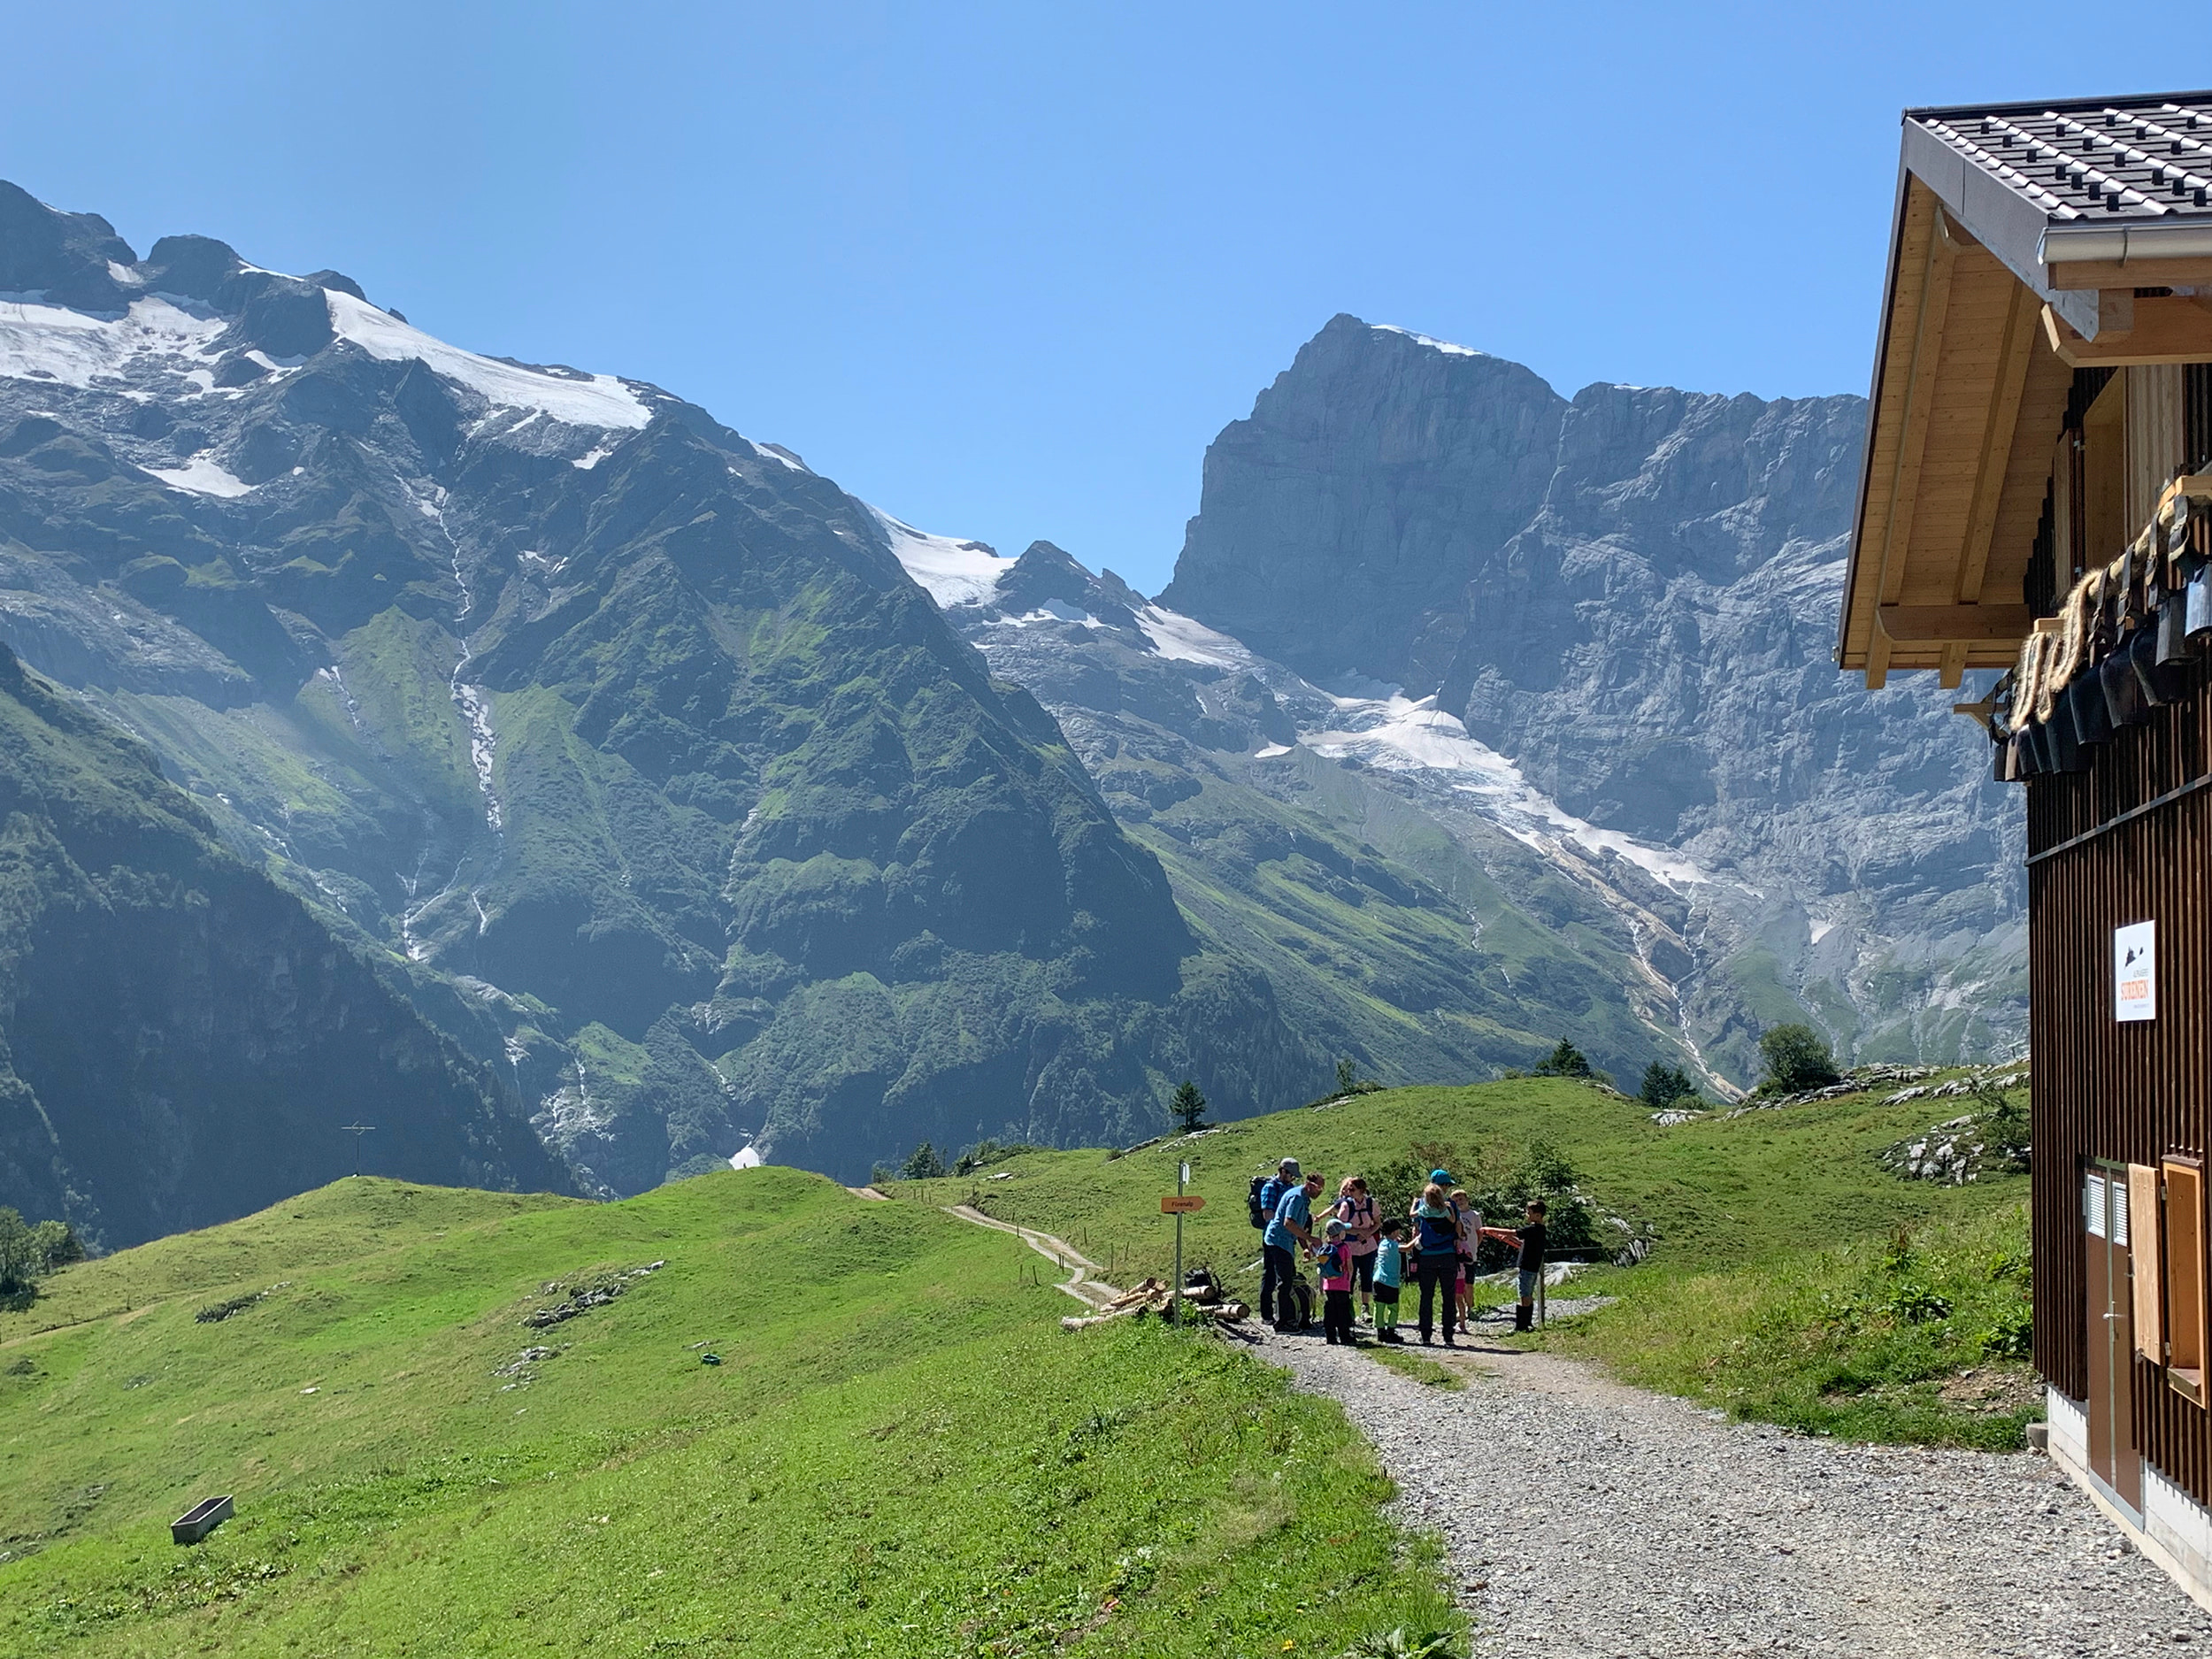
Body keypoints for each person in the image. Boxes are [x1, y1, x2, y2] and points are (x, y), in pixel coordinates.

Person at [1264, 1168, 1323, 1333]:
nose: (1320, 1192)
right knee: (1285, 1282)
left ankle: (1294, 1317)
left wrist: (1305, 1247)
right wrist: (1311, 1240)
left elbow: (1298, 1228)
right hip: (1278, 1241)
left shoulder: (1304, 1200)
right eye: (1319, 1189)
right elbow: (1289, 1223)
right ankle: (1283, 1322)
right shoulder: (1296, 1197)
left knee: (1290, 1279)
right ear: (1310, 1185)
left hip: (1286, 1243)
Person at [1409, 1179, 1462, 1346]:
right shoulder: (1449, 1207)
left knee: (1427, 1296)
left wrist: (1414, 1203)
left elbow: (1413, 1218)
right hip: (1447, 1255)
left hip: (1427, 1256)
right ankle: (1448, 1335)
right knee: (1448, 1295)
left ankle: (1426, 1335)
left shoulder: (1423, 1209)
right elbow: (1455, 1222)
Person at [1256, 1157, 1301, 1326]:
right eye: (1291, 1175)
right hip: (1272, 1238)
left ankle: (1287, 1312)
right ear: (1282, 1171)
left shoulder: (1291, 1189)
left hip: (1288, 1238)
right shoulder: (1270, 1188)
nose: (1293, 1179)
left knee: (1287, 1275)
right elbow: (1268, 1215)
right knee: (1270, 1274)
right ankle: (1267, 1314)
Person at [1333, 1175, 1379, 1321]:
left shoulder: (1372, 1204)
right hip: (1350, 1248)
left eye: (1352, 1189)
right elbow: (1339, 1226)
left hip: (1368, 1247)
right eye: (1348, 1189)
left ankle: (1366, 1308)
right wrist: (1357, 1232)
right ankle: (1348, 1308)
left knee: (1367, 1276)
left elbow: (1377, 1223)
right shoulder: (1346, 1206)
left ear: (1361, 1190)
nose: (1349, 1191)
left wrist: (1367, 1234)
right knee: (1349, 1278)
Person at [1510, 1198, 1548, 1332]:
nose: (1527, 1215)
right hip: (1533, 1267)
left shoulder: (1532, 1229)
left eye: (1529, 1212)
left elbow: (1513, 1233)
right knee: (1528, 1294)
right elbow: (1521, 1242)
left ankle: (1522, 1326)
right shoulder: (1540, 1230)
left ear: (1537, 1215)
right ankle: (1528, 1323)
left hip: (1527, 1267)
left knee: (1524, 1295)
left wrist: (1490, 1230)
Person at [1317, 1218, 1356, 1345]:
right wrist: (1349, 1281)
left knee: (1330, 1311)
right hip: (1342, 1285)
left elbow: (1320, 1269)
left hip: (1328, 1285)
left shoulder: (1324, 1248)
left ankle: (1331, 1337)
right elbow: (1349, 1267)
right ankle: (1345, 1337)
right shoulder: (1344, 1247)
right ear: (1340, 1234)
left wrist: (1321, 1285)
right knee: (1343, 1311)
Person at [1371, 1217, 1407, 1343]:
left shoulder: (1382, 1243)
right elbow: (1406, 1248)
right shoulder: (1393, 1245)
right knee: (1393, 1307)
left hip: (1378, 1279)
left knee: (1379, 1307)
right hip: (1390, 1281)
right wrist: (1417, 1239)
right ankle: (1391, 1331)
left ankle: (1380, 1331)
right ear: (1393, 1232)